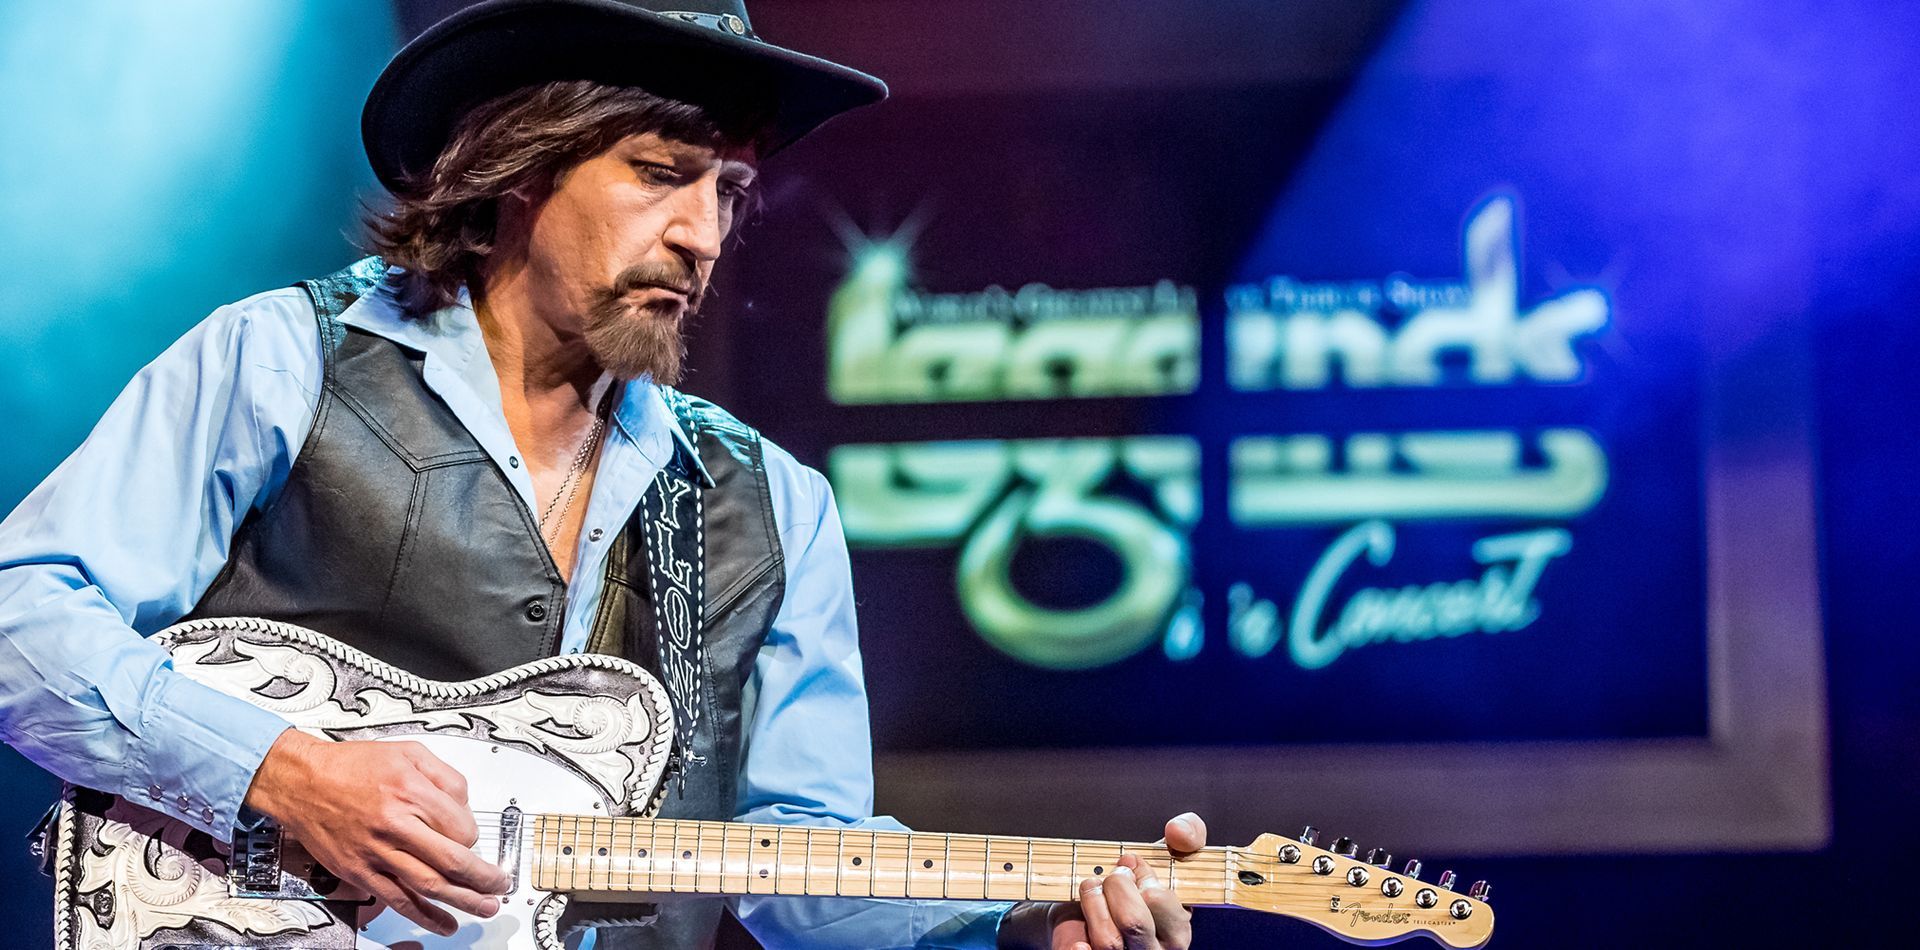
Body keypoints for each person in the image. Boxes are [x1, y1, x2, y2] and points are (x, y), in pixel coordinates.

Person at [0, 1, 1206, 947]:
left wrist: (1016, 920)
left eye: (728, 190)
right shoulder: (280, 360)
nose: (706, 234)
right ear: (521, 164)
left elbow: (803, 862)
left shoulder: (774, 504)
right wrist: (283, 772)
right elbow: (20, 618)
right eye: (660, 170)